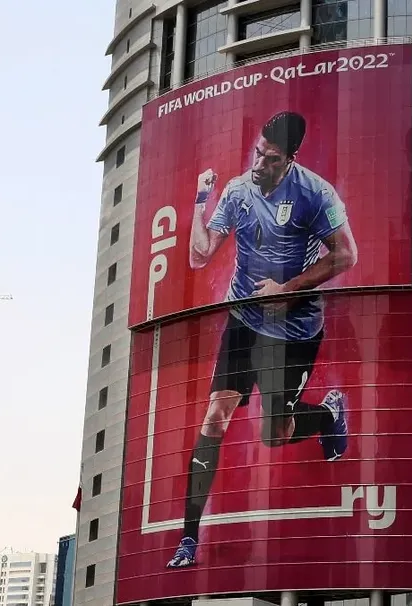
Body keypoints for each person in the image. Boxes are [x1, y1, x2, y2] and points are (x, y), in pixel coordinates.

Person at [167, 111, 359, 568]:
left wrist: (287, 289)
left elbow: (347, 255)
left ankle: (328, 414)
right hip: (244, 320)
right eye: (257, 153)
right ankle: (188, 539)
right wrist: (200, 200)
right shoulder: (237, 191)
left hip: (294, 332)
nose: (259, 165)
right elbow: (199, 256)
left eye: (271, 159)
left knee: (275, 435)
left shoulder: (316, 194)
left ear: (291, 159)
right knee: (215, 417)